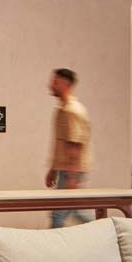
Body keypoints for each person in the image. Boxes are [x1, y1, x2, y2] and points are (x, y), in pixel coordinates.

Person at [45, 67, 92, 227]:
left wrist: (72, 178)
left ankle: (54, 248)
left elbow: (74, 145)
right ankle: (103, 230)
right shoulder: (62, 110)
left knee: (58, 214)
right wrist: (53, 170)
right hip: (65, 170)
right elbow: (61, 144)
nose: (50, 85)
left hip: (71, 171)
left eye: (55, 82)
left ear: (65, 84)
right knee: (75, 212)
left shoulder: (72, 111)